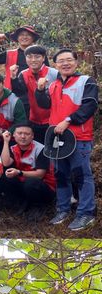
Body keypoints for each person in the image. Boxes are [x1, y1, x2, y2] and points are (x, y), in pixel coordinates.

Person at [35, 48, 99, 231]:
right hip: (56, 137)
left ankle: (86, 213)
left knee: (82, 176)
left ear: (76, 62)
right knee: (60, 174)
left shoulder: (87, 81)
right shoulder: (54, 85)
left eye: (69, 60)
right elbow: (44, 105)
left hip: (79, 137)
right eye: (61, 61)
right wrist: (40, 90)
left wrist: (68, 121)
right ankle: (63, 209)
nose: (65, 63)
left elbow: (90, 106)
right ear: (55, 65)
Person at [0, 125, 55, 221]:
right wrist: (5, 142)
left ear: (32, 136)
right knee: (6, 177)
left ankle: (38, 206)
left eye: (27, 134)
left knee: (31, 182)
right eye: (19, 133)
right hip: (25, 182)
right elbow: (5, 162)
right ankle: (20, 203)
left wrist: (19, 172)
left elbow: (40, 174)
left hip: (45, 186)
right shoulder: (13, 147)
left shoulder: (41, 149)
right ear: (14, 135)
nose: (23, 137)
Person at [10, 45, 58, 143]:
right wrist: (14, 78)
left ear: (43, 58)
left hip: (53, 120)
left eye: (37, 56)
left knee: (52, 150)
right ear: (25, 58)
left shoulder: (54, 73)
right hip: (34, 119)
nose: (33, 60)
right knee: (37, 149)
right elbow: (20, 92)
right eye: (29, 56)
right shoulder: (23, 74)